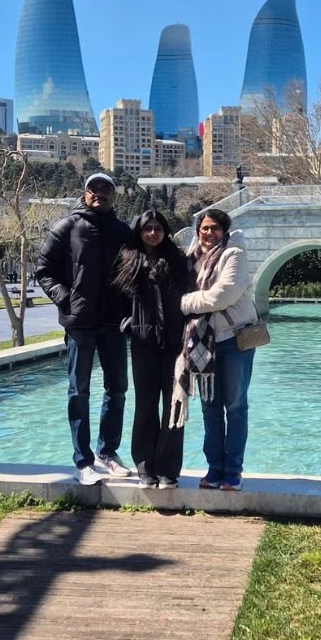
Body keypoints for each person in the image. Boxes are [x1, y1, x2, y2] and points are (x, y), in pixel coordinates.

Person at [35, 171, 133, 485]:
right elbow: (44, 270)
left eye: (105, 189)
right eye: (94, 189)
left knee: (117, 389)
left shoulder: (123, 231)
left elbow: (136, 272)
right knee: (79, 391)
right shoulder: (67, 226)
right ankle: (83, 461)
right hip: (80, 324)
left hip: (114, 323)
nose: (99, 194)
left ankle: (108, 452)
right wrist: (66, 300)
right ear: (85, 193)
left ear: (114, 195)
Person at [172, 207, 258, 491]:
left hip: (234, 340)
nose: (209, 233)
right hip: (202, 342)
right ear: (198, 231)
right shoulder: (191, 258)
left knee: (235, 406)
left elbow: (222, 296)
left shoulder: (234, 254)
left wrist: (181, 303)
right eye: (204, 228)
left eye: (215, 228)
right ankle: (214, 468)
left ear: (225, 230)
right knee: (210, 407)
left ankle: (233, 470)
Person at [113, 209, 189, 489]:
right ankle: (145, 468)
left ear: (165, 231)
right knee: (145, 406)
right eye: (148, 228)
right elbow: (117, 300)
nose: (153, 233)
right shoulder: (128, 260)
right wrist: (129, 325)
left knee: (173, 406)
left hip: (175, 345)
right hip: (143, 344)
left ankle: (168, 469)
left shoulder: (177, 261)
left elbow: (188, 296)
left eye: (158, 228)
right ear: (140, 231)